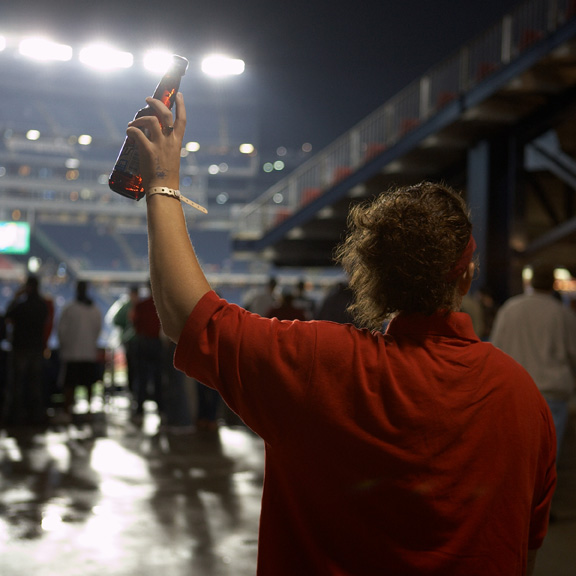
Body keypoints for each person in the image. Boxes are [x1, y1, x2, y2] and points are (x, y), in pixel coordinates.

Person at [127, 93, 556, 575]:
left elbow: (185, 316)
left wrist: (162, 181)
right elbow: (526, 550)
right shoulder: (522, 396)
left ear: (371, 270)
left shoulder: (318, 362)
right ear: (466, 274)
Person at [490, 263, 576, 457]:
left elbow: (495, 349)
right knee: (545, 460)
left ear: (531, 282)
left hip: (513, 393)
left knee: (513, 459)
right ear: (553, 283)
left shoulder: (510, 309)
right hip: (551, 394)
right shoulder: (562, 314)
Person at [2, 275, 49, 428]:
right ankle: (35, 416)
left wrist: (16, 297)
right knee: (35, 384)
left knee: (17, 384)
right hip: (36, 348)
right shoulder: (42, 305)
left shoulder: (21, 304)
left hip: (21, 348)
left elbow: (7, 316)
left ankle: (15, 417)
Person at [57, 280, 102, 419]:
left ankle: (67, 411)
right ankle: (88, 410)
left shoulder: (69, 308)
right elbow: (98, 330)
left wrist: (64, 346)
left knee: (70, 384)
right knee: (87, 383)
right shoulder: (95, 310)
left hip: (72, 353)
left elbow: (61, 331)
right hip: (87, 353)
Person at [131, 282, 164, 425]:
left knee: (142, 378)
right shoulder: (161, 306)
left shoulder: (140, 305)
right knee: (158, 379)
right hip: (156, 343)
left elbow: (135, 324)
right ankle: (161, 410)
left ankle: (139, 411)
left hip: (143, 343)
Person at [112, 285, 139, 393]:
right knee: (132, 366)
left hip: (139, 340)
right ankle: (132, 389)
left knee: (138, 367)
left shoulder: (140, 305)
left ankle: (136, 389)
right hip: (130, 341)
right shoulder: (126, 306)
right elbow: (116, 320)